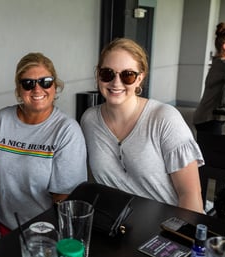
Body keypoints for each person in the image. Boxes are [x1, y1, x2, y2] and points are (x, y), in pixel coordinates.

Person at [81, 38, 204, 213]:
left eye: (127, 75)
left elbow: (190, 195)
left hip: (169, 230)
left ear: (140, 78)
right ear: (98, 75)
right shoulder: (89, 120)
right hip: (116, 228)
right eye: (108, 73)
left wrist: (181, 238)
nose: (116, 83)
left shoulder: (164, 119)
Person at [0, 52, 88, 236]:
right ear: (18, 89)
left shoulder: (66, 131)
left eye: (45, 82)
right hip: (1, 229)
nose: (37, 89)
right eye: (28, 83)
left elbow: (65, 200)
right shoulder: (0, 120)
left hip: (44, 233)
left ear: (55, 86)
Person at [193, 22, 225, 134]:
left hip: (208, 117)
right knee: (212, 151)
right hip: (207, 119)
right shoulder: (223, 65)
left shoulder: (220, 63)